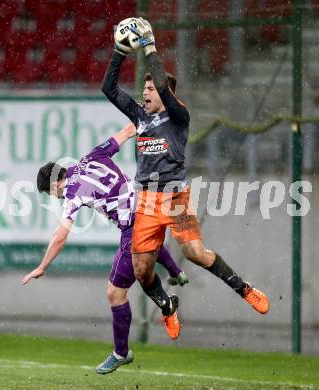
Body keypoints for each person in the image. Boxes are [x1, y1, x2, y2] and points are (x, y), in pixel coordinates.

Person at [102, 17, 269, 340]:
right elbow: (108, 88)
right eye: (145, 89)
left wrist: (149, 48)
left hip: (175, 198)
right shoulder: (139, 115)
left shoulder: (178, 116)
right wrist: (119, 52)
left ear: (167, 95)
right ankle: (167, 305)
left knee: (195, 253)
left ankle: (244, 288)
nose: (145, 93)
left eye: (150, 89)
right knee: (141, 270)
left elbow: (164, 85)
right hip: (147, 200)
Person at [21, 124, 188, 375]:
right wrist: (146, 118)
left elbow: (60, 235)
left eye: (50, 192)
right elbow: (125, 132)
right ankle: (175, 279)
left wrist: (42, 266)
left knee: (115, 294)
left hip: (133, 226)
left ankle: (123, 351)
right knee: (145, 259)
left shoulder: (72, 191)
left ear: (56, 183)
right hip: (149, 209)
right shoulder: (91, 157)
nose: (54, 197)